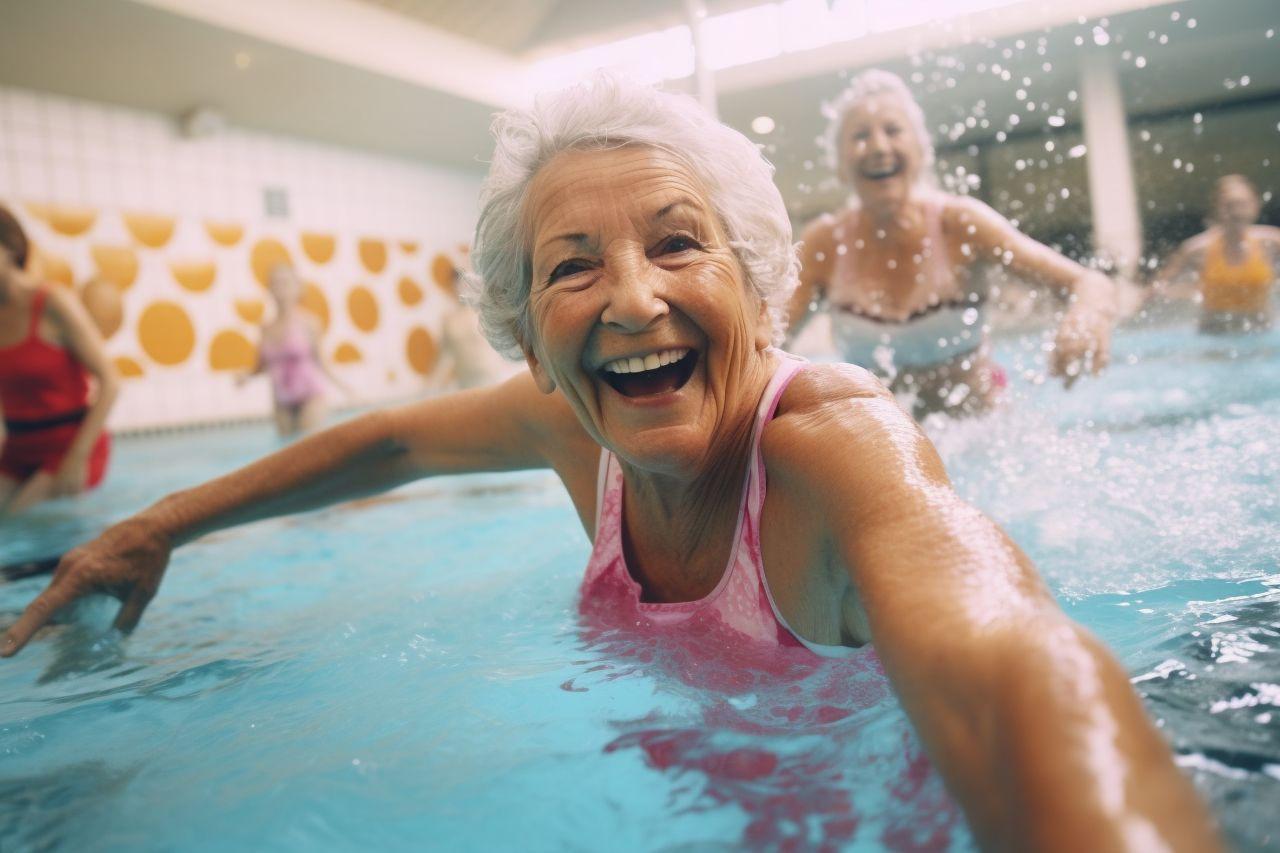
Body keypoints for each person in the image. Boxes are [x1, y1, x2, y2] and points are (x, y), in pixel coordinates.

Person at [1, 76, 1217, 849]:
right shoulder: (567, 425)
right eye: (572, 265)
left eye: (677, 243)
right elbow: (387, 439)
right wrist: (149, 524)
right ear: (526, 332)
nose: (631, 301)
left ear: (756, 280)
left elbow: (1004, 658)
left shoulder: (834, 450)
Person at [787, 70, 1117, 418]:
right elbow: (770, 341)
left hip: (978, 428)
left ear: (920, 149)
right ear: (839, 163)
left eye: (893, 130)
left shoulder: (961, 225)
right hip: (879, 436)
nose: (879, 147)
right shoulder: (825, 245)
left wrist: (1084, 321)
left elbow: (1089, 283)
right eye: (860, 136)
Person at [0, 205, 119, 515]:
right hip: (17, 448)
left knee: (16, 525)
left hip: (70, 445)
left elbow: (111, 382)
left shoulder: (52, 302)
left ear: (9, 248)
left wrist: (76, 459)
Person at [1151, 174, 1280, 334]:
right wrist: (1191, 292)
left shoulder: (1272, 243)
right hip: (1215, 331)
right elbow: (1157, 288)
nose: (1236, 212)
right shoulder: (1196, 249)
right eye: (1229, 205)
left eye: (1242, 204)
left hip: (1260, 329)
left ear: (1256, 205)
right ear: (1216, 208)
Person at [239, 263, 347, 436]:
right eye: (275, 283)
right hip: (281, 401)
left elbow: (322, 363)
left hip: (311, 396)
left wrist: (346, 388)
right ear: (269, 290)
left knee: (308, 447)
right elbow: (261, 366)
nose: (280, 288)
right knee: (286, 451)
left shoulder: (310, 323)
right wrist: (246, 376)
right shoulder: (265, 328)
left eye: (286, 282)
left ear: (298, 288)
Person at [435, 262, 514, 390]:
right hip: (468, 383)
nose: (461, 288)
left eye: (465, 282)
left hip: (494, 377)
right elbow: (442, 359)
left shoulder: (486, 312)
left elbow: (506, 346)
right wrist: (429, 390)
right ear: (452, 287)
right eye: (457, 283)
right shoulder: (449, 321)